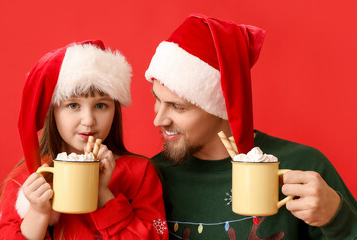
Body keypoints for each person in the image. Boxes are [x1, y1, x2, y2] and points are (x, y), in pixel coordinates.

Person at [144, 13, 357, 239]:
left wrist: (338, 219)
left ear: (221, 106)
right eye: (157, 99)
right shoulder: (149, 178)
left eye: (178, 107)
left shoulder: (304, 167)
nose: (159, 120)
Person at [0, 40, 168, 239]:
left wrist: (103, 193)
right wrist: (38, 212)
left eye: (101, 106)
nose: (88, 121)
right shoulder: (25, 181)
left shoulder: (140, 173)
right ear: (52, 112)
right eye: (73, 106)